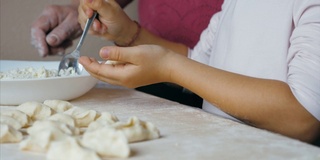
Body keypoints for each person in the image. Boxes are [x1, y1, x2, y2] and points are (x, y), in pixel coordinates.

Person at [77, 0, 320, 144]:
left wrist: (169, 67)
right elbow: (200, 64)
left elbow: (301, 116)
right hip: (218, 145)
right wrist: (126, 33)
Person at [31, 0, 223, 108]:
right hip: (159, 63)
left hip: (181, 67)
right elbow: (197, 60)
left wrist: (169, 66)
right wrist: (124, 31)